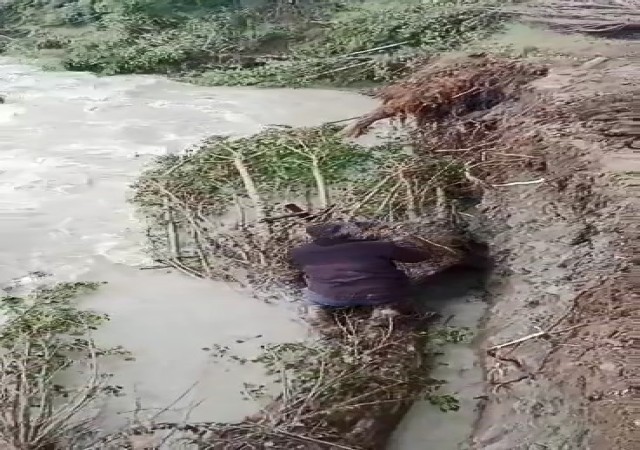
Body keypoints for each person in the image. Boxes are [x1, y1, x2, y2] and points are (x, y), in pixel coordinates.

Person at [289, 221, 431, 324]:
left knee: (311, 298)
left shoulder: (300, 253)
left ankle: (315, 311)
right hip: (382, 294)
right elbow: (420, 257)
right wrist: (405, 241)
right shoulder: (377, 246)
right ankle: (387, 309)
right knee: (399, 294)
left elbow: (299, 273)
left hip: (330, 297)